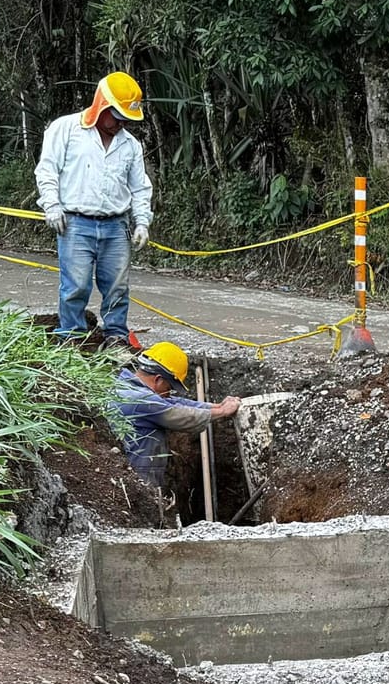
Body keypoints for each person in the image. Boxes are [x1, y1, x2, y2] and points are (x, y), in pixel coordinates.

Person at [36, 72, 154, 346]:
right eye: (116, 116)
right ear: (102, 106)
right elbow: (47, 170)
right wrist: (52, 205)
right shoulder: (65, 130)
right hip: (75, 222)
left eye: (125, 118)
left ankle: (115, 336)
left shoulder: (130, 146)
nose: (120, 123)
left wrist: (142, 222)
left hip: (116, 225)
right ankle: (72, 337)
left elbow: (140, 187)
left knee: (117, 287)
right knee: (75, 286)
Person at [111, 342, 241, 487]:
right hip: (137, 484)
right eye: (169, 388)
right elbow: (178, 414)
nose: (168, 394)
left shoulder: (125, 387)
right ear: (158, 380)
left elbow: (172, 402)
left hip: (131, 478)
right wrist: (222, 412)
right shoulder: (140, 400)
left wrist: (215, 406)